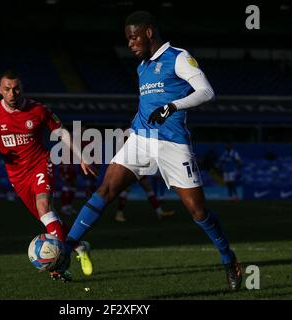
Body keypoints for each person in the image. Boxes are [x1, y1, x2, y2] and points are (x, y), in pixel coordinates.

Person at [58, 11, 242, 291]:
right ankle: (66, 251)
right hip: (141, 139)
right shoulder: (142, 67)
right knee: (106, 190)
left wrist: (174, 106)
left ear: (148, 32)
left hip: (173, 143)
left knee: (197, 211)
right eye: (127, 39)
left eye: (133, 37)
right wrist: (131, 131)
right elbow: (145, 105)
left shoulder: (178, 57)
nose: (130, 44)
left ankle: (229, 259)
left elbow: (206, 91)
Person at [0, 70, 96, 282]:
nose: (13, 93)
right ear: (0, 90)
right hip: (16, 176)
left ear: (22, 88)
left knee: (44, 208)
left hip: (40, 164)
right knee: (47, 218)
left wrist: (81, 156)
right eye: (8, 89)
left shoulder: (38, 110)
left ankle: (59, 265)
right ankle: (80, 247)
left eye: (16, 88)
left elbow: (62, 132)